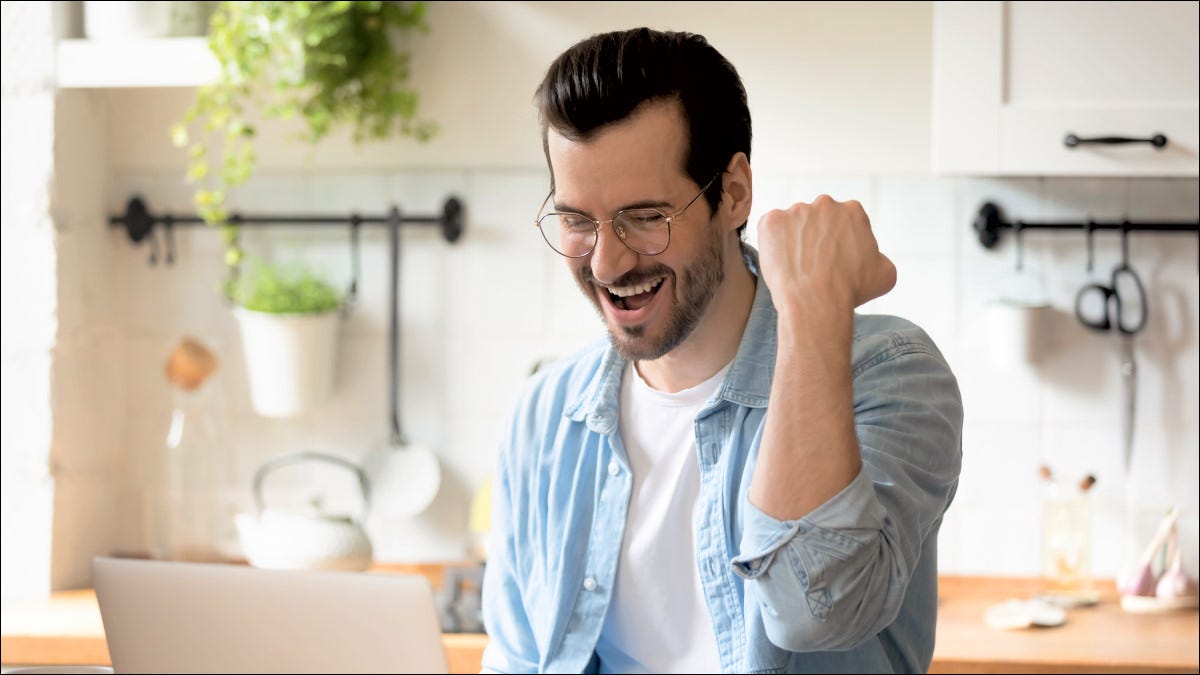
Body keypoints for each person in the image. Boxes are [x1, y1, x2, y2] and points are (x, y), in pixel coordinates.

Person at [480, 27, 963, 674]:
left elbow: (815, 611)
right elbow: (514, 657)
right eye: (576, 220)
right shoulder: (546, 413)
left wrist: (814, 310)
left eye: (645, 217)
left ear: (733, 193)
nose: (607, 261)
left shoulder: (887, 371)